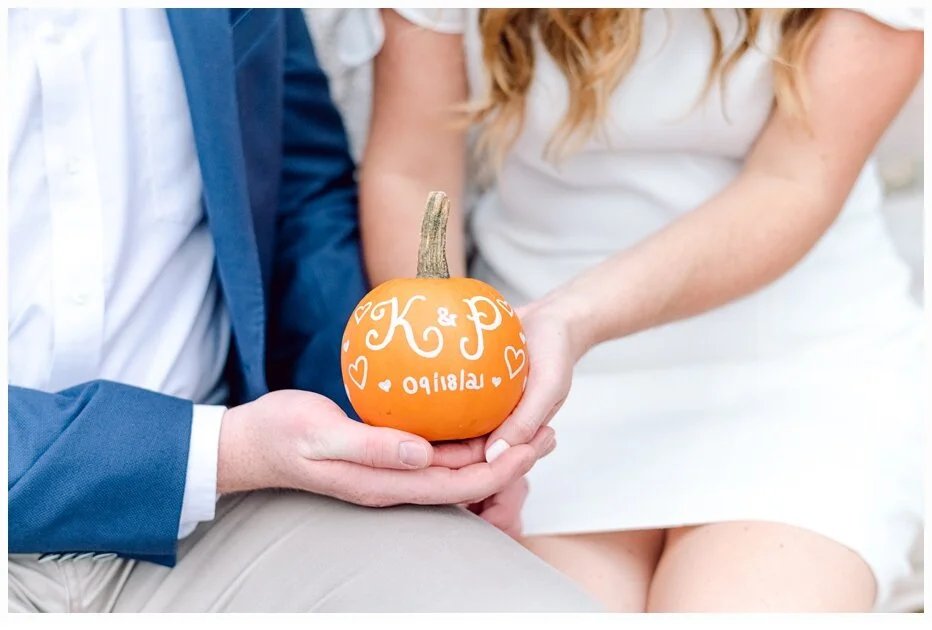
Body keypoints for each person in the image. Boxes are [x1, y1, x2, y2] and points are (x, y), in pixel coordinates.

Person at [6, 8, 601, 613]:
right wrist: (228, 450)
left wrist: (398, 434)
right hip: (196, 468)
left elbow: (297, 189)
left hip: (228, 509)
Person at [358, 7, 925, 612]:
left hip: (797, 364)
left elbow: (793, 183)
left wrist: (572, 317)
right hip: (537, 380)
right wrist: (455, 388)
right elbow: (412, 170)